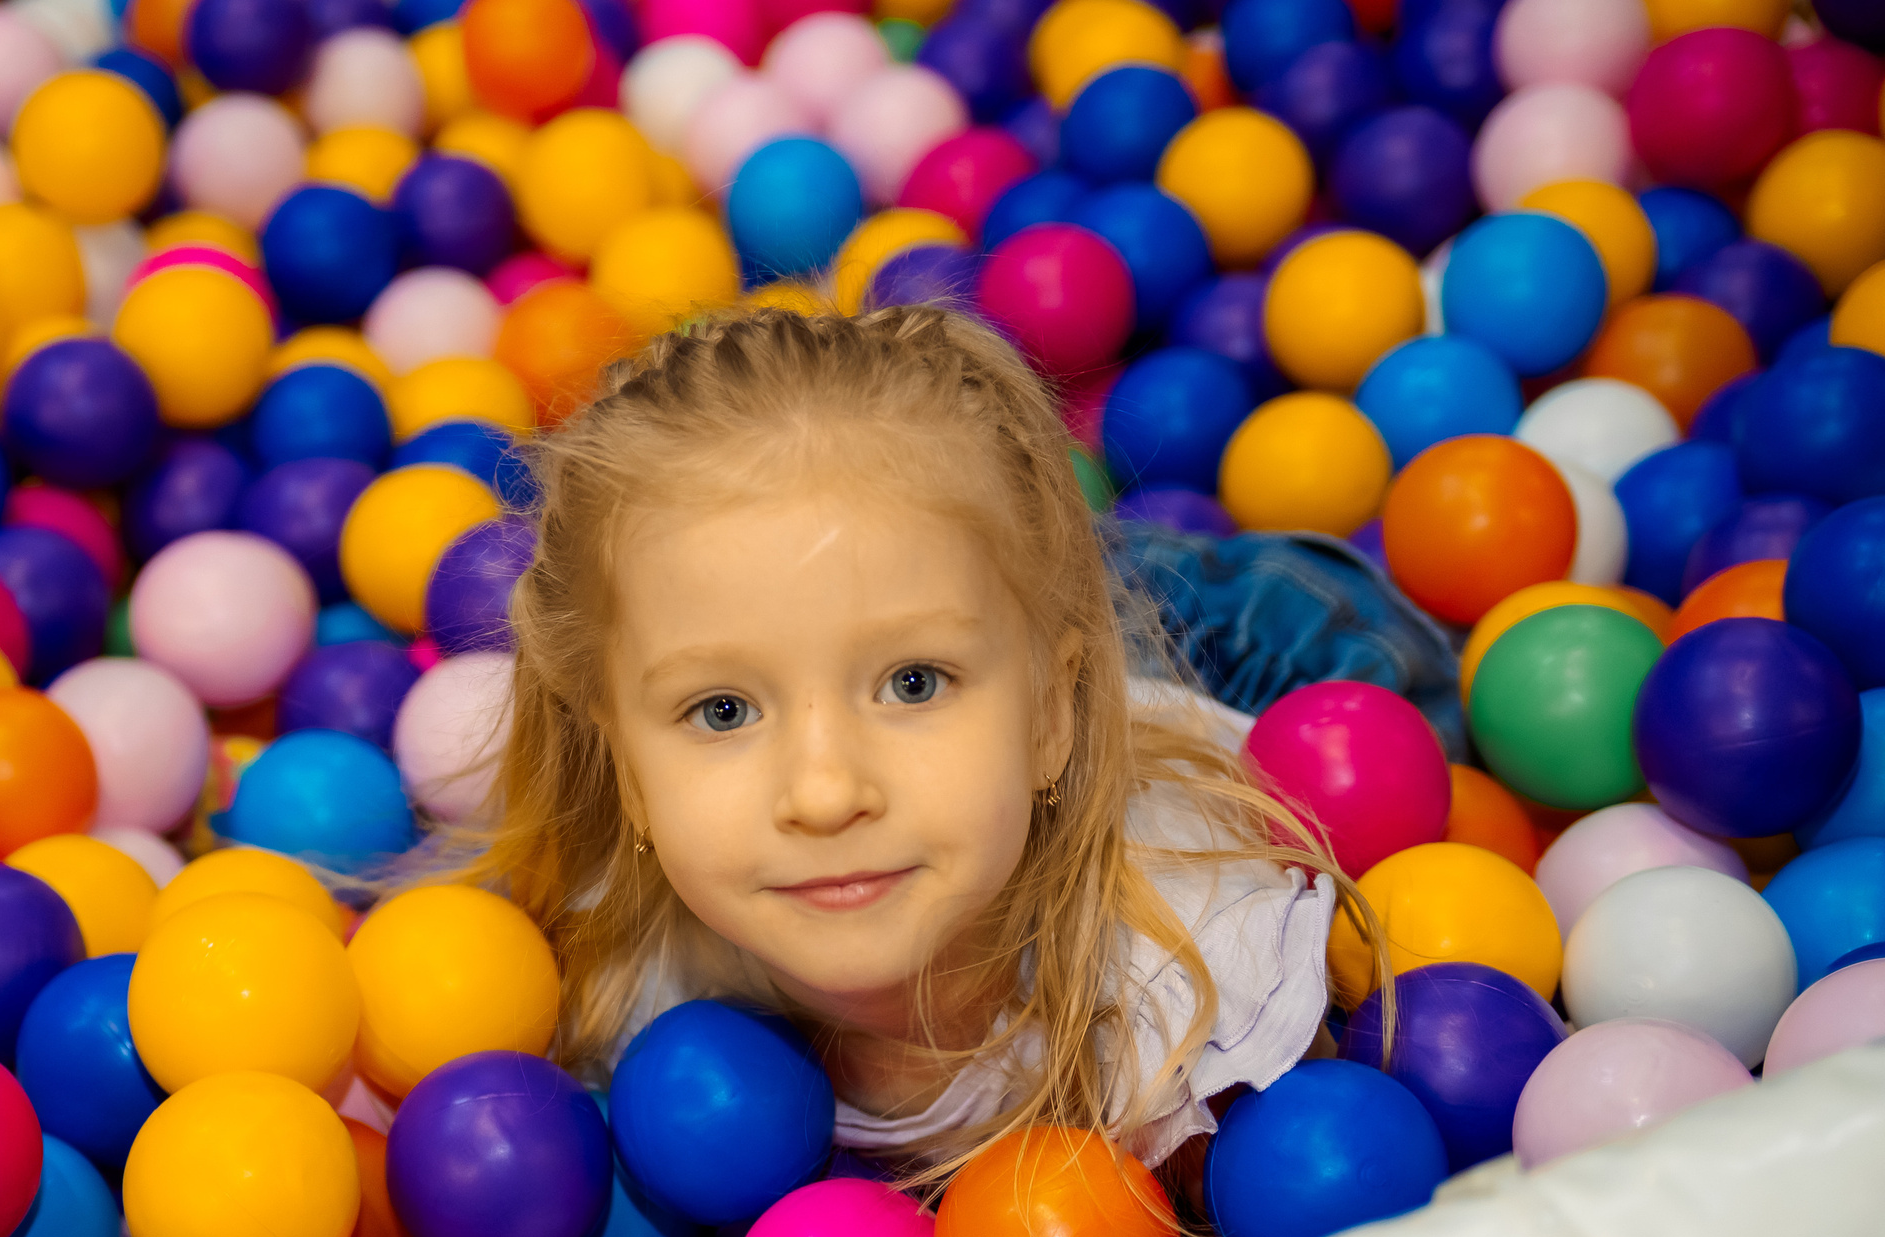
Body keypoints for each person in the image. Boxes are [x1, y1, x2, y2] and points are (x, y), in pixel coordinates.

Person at [450, 303, 1390, 1183]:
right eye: (724, 710)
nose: (824, 793)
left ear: (1051, 719)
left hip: (1268, 657)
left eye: (912, 683)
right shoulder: (633, 983)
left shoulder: (1182, 966)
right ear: (626, 770)